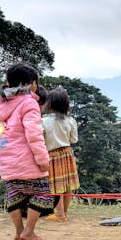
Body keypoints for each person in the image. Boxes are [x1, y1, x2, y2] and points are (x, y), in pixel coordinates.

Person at [0, 62, 53, 240]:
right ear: (30, 83)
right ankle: (29, 233)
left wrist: (0, 154)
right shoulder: (29, 103)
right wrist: (43, 160)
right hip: (28, 160)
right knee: (42, 193)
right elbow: (34, 135)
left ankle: (19, 232)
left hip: (7, 158)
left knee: (14, 194)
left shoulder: (0, 104)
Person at [42, 87, 80, 221]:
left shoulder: (44, 121)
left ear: (49, 104)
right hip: (67, 154)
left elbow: (41, 140)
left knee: (56, 185)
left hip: (52, 155)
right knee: (67, 184)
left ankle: (59, 214)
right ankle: (65, 212)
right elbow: (74, 140)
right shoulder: (70, 121)